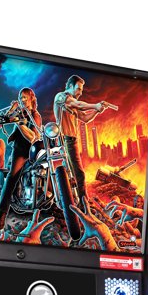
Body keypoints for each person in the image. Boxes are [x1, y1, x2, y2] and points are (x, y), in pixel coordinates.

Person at [52, 75, 113, 211]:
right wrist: (95, 105)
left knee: (74, 174)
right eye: (78, 89)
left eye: (81, 90)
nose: (80, 92)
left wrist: (97, 110)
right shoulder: (61, 97)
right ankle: (84, 205)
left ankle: (77, 203)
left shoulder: (72, 103)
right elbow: (79, 105)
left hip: (72, 141)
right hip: (66, 140)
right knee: (78, 174)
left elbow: (85, 118)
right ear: (70, 86)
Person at [0, 87, 43, 230]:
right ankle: (2, 213)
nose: (22, 100)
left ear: (31, 99)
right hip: (19, 149)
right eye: (21, 98)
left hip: (32, 150)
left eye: (25, 97)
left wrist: (18, 122)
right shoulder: (19, 112)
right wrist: (12, 109)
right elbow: (4, 120)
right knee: (12, 177)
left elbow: (33, 137)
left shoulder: (35, 115)